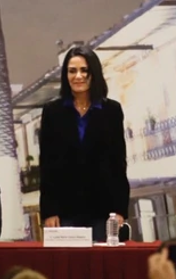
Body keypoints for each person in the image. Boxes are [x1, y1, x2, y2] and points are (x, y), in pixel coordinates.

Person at [38, 46, 129, 242]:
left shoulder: (111, 110)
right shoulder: (52, 112)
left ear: (93, 73)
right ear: (65, 75)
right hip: (64, 212)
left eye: (84, 70)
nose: (78, 76)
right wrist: (49, 211)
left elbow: (118, 162)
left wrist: (120, 209)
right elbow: (47, 165)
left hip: (103, 210)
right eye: (72, 71)